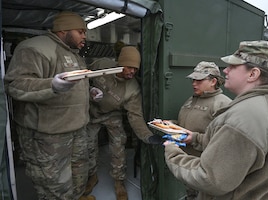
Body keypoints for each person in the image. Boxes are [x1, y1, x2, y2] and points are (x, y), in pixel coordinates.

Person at [163, 40, 268, 200]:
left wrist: (171, 150)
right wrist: (195, 138)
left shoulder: (243, 116)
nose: (226, 70)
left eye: (233, 66)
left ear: (253, 74)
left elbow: (209, 178)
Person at [4, 11, 96, 200]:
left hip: (77, 130)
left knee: (79, 177)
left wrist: (91, 92)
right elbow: (16, 84)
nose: (85, 36)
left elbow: (77, 84)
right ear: (63, 30)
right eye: (80, 31)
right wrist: (51, 85)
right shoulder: (35, 48)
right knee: (55, 187)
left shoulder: (75, 54)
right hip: (48, 135)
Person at [86, 46, 163, 199]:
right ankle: (92, 175)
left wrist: (148, 136)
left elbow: (135, 116)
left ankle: (118, 182)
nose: (132, 72)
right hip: (91, 113)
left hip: (112, 114)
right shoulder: (102, 65)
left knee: (118, 146)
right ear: (120, 63)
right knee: (88, 146)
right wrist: (90, 91)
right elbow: (82, 77)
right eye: (129, 67)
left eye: (135, 69)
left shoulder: (133, 88)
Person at [177, 61, 231, 199]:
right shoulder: (192, 99)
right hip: (189, 163)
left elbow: (223, 141)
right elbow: (187, 124)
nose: (194, 83)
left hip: (206, 169)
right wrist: (169, 125)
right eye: (193, 80)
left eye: (199, 80)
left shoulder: (222, 104)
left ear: (213, 81)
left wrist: (194, 138)